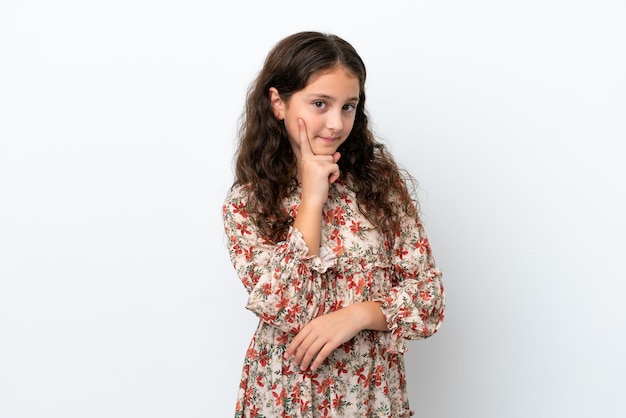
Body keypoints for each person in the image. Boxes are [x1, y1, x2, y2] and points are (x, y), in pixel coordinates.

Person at [222, 31, 445, 418]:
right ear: (278, 103)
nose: (336, 122)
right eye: (320, 103)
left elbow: (428, 301)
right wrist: (312, 199)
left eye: (348, 106)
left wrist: (357, 316)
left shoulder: (379, 189)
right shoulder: (248, 202)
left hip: (371, 393)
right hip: (286, 393)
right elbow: (287, 309)